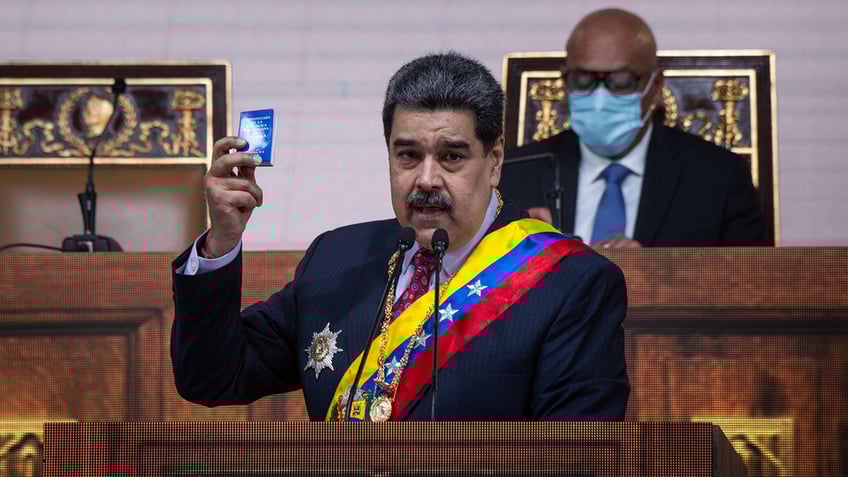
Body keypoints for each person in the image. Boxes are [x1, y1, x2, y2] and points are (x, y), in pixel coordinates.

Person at [171, 52, 629, 421]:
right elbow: (213, 379)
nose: (426, 179)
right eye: (408, 155)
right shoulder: (335, 257)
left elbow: (576, 457)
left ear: (493, 162)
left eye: (452, 157)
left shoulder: (570, 282)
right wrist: (221, 244)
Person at [500, 8, 768, 249]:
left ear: (656, 85)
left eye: (621, 80)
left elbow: (753, 285)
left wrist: (648, 273)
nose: (600, 96)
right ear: (565, 79)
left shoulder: (719, 177)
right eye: (583, 79)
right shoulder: (512, 172)